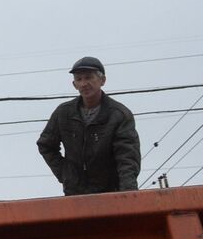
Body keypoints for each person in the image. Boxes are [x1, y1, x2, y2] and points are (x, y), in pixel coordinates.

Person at [38, 57, 141, 195]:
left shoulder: (119, 115)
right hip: (75, 195)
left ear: (102, 80)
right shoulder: (63, 113)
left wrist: (129, 195)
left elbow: (127, 158)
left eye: (88, 77)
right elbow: (46, 145)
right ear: (74, 84)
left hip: (111, 194)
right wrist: (66, 175)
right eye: (79, 79)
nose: (84, 83)